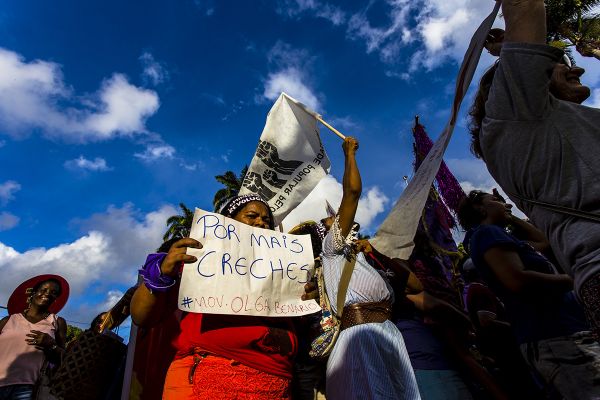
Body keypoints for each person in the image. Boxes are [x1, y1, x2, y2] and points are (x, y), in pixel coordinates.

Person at [468, 0, 600, 338]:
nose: (577, 69)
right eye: (558, 63)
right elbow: (526, 5)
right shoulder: (515, 114)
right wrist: (514, 47)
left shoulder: (551, 126)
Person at [130, 194, 299, 399]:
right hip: (207, 379)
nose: (261, 223)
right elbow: (142, 317)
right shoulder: (199, 261)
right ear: (227, 222)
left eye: (267, 221)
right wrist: (161, 276)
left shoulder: (284, 273)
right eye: (252, 215)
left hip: (275, 385)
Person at [458, 190, 600, 399]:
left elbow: (544, 242)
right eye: (496, 200)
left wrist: (510, 216)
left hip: (567, 328)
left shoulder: (507, 237)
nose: (504, 203)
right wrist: (572, 280)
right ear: (479, 208)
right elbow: (517, 279)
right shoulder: (486, 233)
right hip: (553, 332)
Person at [319, 137, 420, 399]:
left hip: (389, 337)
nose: (342, 220)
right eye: (334, 219)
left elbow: (416, 287)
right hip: (360, 341)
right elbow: (352, 193)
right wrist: (349, 155)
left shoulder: (369, 260)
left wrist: (378, 252)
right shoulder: (332, 250)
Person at [0, 275, 69, 400]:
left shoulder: (57, 322)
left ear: (55, 299)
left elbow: (64, 358)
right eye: (43, 290)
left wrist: (51, 345)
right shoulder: (8, 320)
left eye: (53, 293)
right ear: (33, 293)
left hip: (26, 388)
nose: (47, 294)